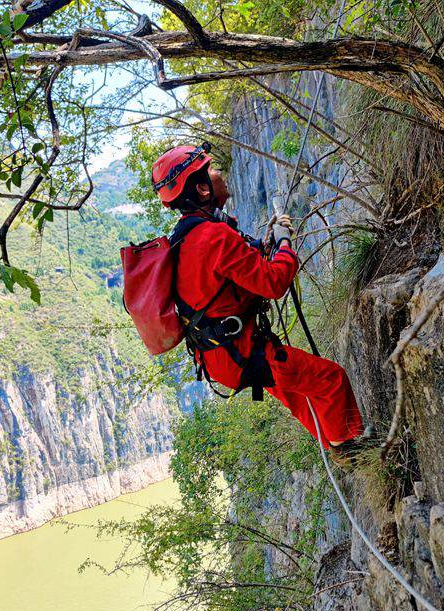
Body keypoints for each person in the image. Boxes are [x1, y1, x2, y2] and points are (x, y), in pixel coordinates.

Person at [151, 142, 371, 466]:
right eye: (211, 171)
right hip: (240, 352)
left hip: (223, 355)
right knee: (330, 380)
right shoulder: (213, 237)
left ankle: (343, 450)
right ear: (200, 188)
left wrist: (266, 245)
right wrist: (283, 242)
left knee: (301, 395)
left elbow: (235, 275)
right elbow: (274, 283)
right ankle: (354, 451)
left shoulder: (188, 238)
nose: (219, 173)